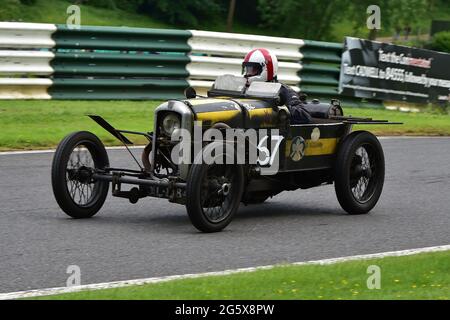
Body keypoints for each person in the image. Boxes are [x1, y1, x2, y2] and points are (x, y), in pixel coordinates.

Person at [242, 48, 312, 124]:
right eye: (247, 70)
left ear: (265, 68)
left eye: (253, 70)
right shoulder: (243, 89)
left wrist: (279, 107)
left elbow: (305, 117)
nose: (248, 74)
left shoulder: (282, 90)